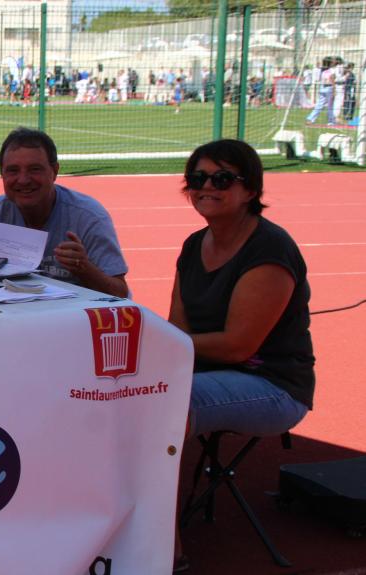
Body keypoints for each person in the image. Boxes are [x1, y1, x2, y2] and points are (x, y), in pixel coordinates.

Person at [170, 139, 314, 571]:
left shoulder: (269, 249)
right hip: (208, 375)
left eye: (222, 179)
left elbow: (238, 345)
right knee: (129, 392)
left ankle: (163, 543)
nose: (206, 187)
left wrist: (159, 346)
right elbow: (178, 332)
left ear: (250, 189)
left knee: (164, 405)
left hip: (273, 385)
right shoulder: (193, 246)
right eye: (197, 178)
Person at [0, 128, 128, 297]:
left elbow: (120, 293)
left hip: (72, 312)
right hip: (11, 311)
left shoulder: (88, 217)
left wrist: (85, 268)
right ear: (1, 174)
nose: (23, 180)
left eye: (34, 169)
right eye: (13, 170)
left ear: (54, 171)